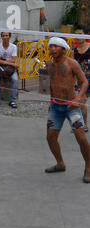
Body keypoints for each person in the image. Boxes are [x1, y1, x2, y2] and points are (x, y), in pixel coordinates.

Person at [44, 37, 90, 183]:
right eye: (50, 46)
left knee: (81, 138)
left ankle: (88, 168)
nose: (52, 49)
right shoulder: (49, 64)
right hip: (56, 107)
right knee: (50, 138)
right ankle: (60, 163)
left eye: (55, 46)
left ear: (63, 49)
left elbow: (84, 82)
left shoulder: (72, 63)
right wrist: (51, 101)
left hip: (72, 107)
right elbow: (53, 83)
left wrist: (78, 98)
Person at [0, 32, 19, 109]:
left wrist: (2, 61)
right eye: (3, 36)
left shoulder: (14, 47)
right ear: (1, 37)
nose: (5, 37)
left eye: (6, 35)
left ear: (9, 37)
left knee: (15, 79)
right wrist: (11, 63)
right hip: (0, 68)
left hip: (10, 69)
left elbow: (13, 60)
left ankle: (12, 100)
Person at [74, 25, 90, 132]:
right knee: (82, 101)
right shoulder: (75, 51)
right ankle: (84, 124)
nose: (77, 37)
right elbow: (74, 66)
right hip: (82, 80)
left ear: (86, 35)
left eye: (80, 34)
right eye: (76, 34)